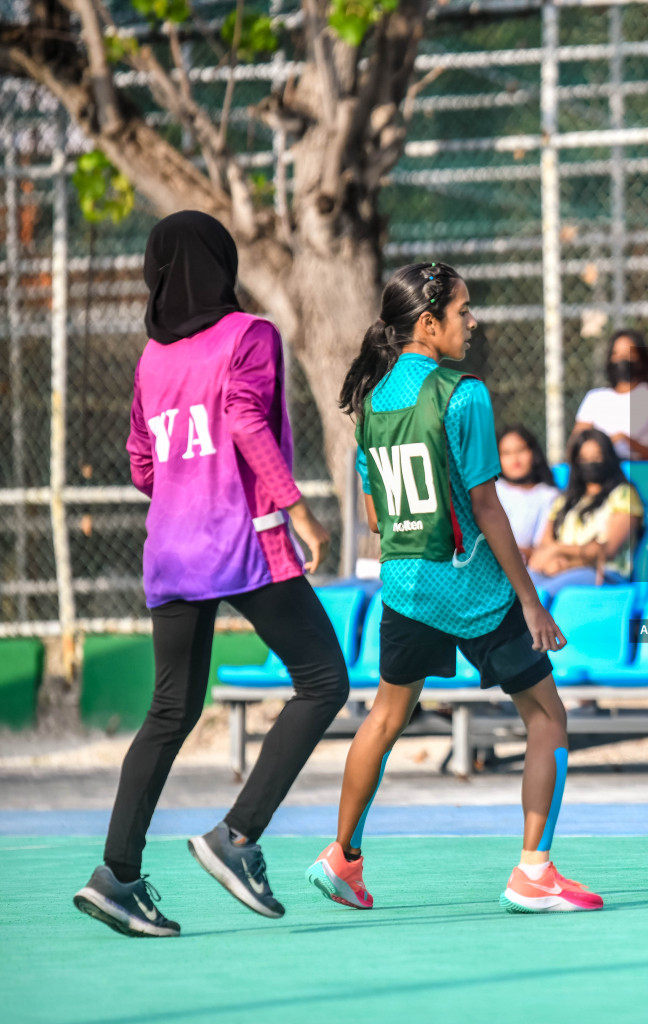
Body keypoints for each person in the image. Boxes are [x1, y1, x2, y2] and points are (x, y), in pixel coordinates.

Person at [73, 212, 348, 938]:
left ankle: (116, 876)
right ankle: (237, 836)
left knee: (169, 712)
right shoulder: (249, 334)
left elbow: (141, 463)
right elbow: (246, 422)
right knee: (323, 680)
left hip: (170, 547)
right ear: (221, 263)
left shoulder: (151, 360)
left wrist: (185, 488)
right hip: (242, 538)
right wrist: (302, 512)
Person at [308, 262, 601, 915]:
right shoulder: (461, 393)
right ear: (429, 322)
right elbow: (487, 507)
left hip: (406, 583)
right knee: (547, 716)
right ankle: (534, 871)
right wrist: (529, 599)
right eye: (465, 311)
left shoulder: (372, 402)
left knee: (385, 719)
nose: (474, 322)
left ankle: (342, 856)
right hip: (472, 588)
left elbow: (378, 516)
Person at [526, 429, 643, 594]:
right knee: (519, 592)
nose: (590, 463)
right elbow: (544, 546)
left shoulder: (623, 495)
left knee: (540, 597)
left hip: (603, 574)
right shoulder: (564, 500)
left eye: (596, 457)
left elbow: (607, 551)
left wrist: (561, 554)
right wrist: (554, 559)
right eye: (583, 459)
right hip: (558, 567)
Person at [571, 328, 648, 460]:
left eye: (629, 354)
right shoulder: (594, 398)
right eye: (617, 354)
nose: (622, 360)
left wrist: (626, 441)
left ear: (641, 358)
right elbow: (574, 447)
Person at [494, 425, 560, 561]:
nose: (515, 459)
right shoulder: (491, 490)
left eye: (521, 450)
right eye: (506, 453)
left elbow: (541, 547)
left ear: (533, 453)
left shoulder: (549, 496)